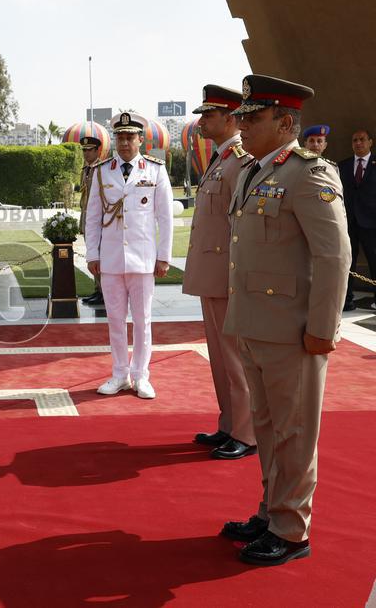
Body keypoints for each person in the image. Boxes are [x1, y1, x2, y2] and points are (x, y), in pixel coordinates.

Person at [221, 74, 350, 566]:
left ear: (286, 122)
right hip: (255, 324)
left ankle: (292, 531)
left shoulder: (309, 173)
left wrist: (322, 330)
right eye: (243, 118)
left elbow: (335, 257)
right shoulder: (254, 170)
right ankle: (272, 511)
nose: (243, 126)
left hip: (294, 330)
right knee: (271, 428)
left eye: (254, 118)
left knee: (295, 432)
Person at [184, 85, 257, 460]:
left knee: (234, 357)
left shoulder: (239, 160)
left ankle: (246, 432)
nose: (201, 121)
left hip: (227, 273)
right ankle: (229, 424)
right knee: (219, 356)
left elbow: (240, 225)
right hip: (212, 273)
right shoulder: (221, 159)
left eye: (208, 115)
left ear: (230, 119)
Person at [85, 112, 173, 400]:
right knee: (115, 320)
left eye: (129, 136)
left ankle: (141, 375)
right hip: (111, 259)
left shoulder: (155, 170)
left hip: (143, 258)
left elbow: (165, 217)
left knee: (143, 320)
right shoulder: (102, 170)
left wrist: (164, 256)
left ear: (140, 139)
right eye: (119, 137)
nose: (124, 142)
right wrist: (92, 254)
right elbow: (93, 217)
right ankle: (120, 374)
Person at [338, 128, 376, 311]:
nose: (358, 143)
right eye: (355, 140)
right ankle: (346, 300)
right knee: (348, 262)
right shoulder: (342, 165)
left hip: (372, 223)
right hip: (349, 222)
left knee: (374, 260)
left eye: (362, 139)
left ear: (370, 142)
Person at [79, 135, 104, 306]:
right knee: (93, 256)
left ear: (97, 151)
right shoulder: (85, 170)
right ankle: (98, 290)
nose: (86, 154)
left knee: (101, 257)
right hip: (88, 220)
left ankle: (103, 292)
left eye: (89, 150)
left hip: (99, 222)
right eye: (84, 150)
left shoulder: (102, 169)